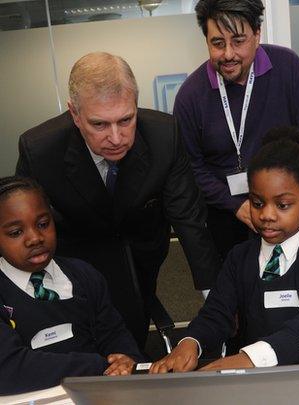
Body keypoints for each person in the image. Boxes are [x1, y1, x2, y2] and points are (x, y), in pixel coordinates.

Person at [15, 52, 220, 348]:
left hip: (142, 256)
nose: (116, 137)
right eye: (99, 125)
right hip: (77, 261)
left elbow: (189, 220)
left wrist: (215, 300)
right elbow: (28, 229)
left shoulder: (164, 134)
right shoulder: (40, 151)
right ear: (74, 114)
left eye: (126, 119)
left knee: (133, 341)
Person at [150, 127, 299, 373]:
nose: (266, 215)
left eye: (282, 205)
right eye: (257, 203)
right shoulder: (240, 258)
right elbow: (216, 313)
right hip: (251, 386)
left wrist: (251, 358)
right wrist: (191, 342)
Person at [174, 0, 299, 260]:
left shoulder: (287, 67)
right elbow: (191, 167)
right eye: (218, 43)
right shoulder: (190, 96)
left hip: (286, 206)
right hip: (225, 214)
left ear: (257, 34)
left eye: (239, 41)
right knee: (241, 289)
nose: (228, 54)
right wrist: (236, 205)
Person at [0, 176, 144, 395]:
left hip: (99, 392)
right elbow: (10, 369)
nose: (35, 238)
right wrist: (97, 366)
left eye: (43, 224)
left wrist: (126, 360)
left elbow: (114, 335)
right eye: (15, 233)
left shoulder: (83, 275)